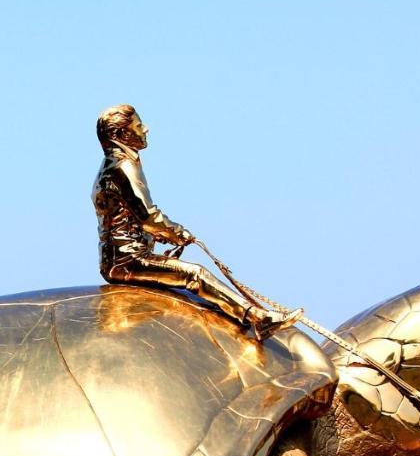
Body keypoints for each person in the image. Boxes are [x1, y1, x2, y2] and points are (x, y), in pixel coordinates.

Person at [93, 104, 301, 339]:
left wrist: (159, 237)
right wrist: (177, 232)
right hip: (128, 262)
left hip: (129, 257)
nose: (146, 130)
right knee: (195, 274)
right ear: (120, 135)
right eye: (139, 126)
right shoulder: (122, 166)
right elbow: (148, 217)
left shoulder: (117, 165)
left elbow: (131, 219)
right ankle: (255, 317)